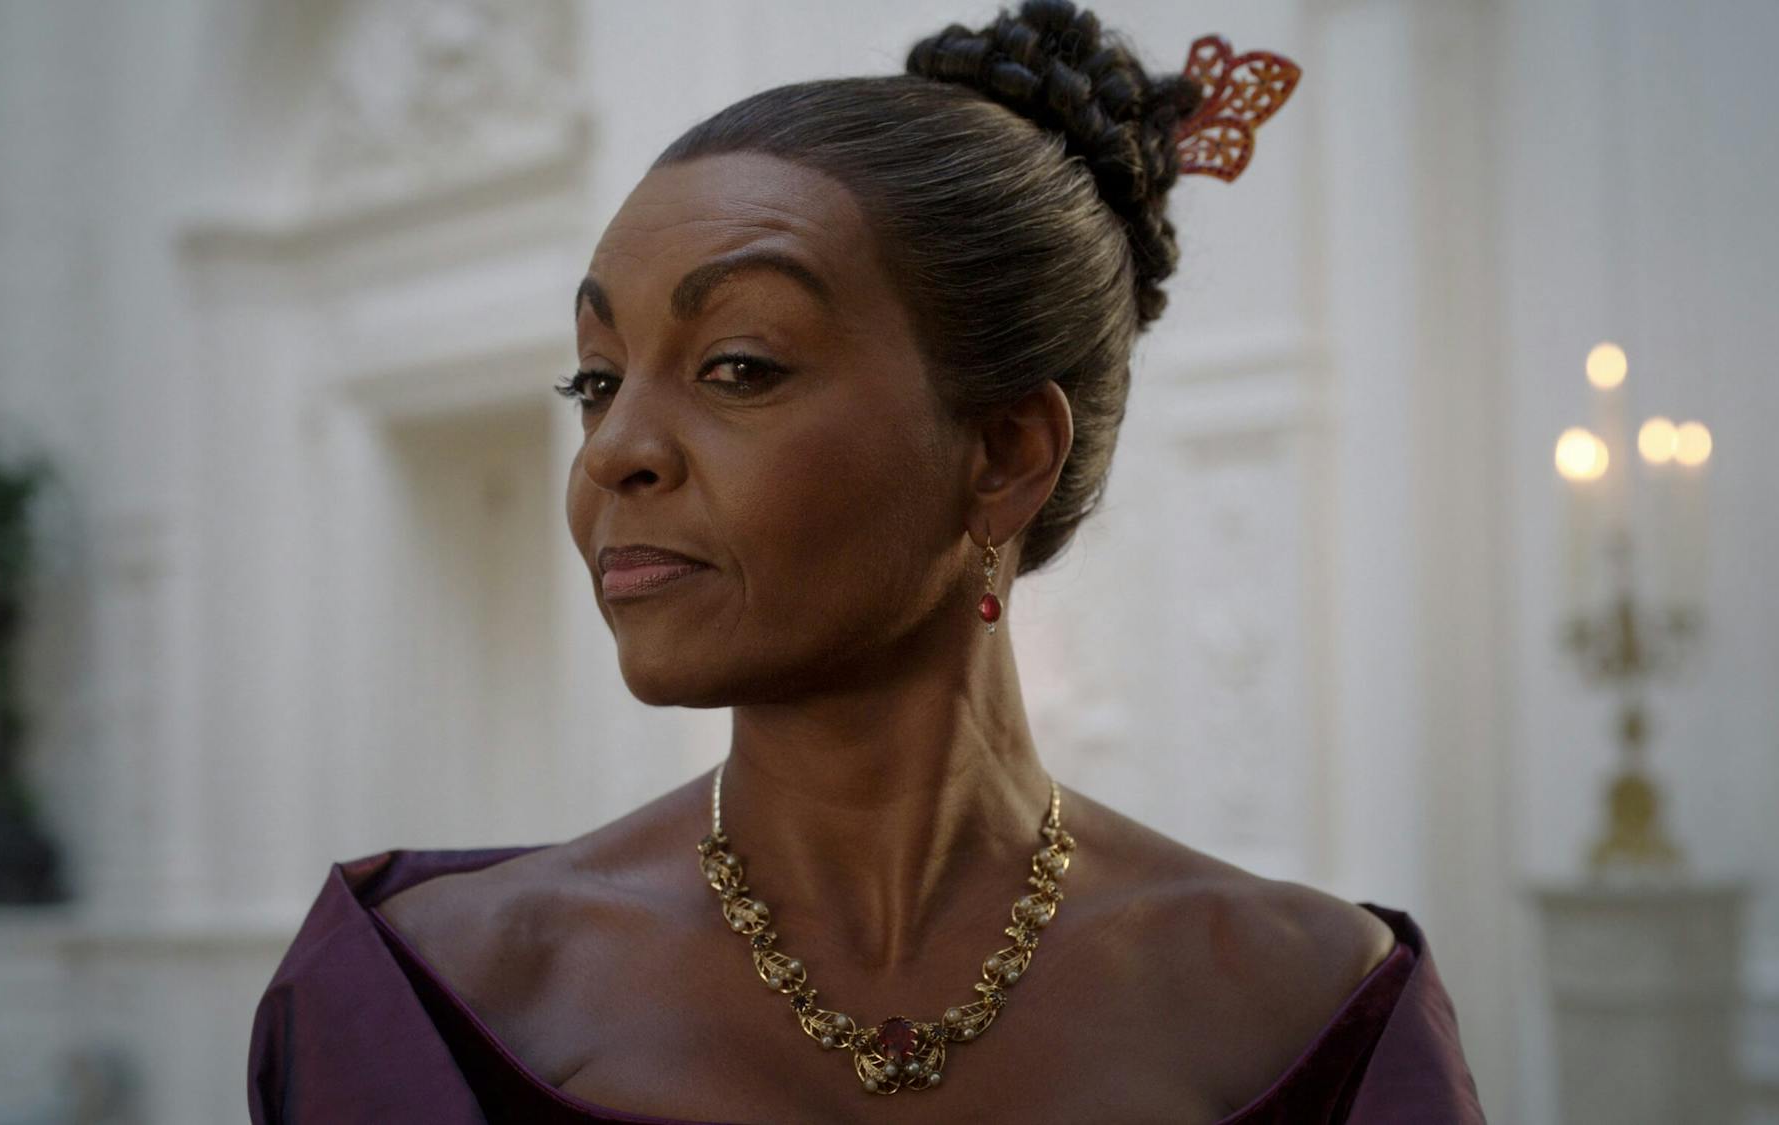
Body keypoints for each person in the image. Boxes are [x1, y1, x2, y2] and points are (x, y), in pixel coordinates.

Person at [248, 2, 1486, 1121]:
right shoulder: (440, 997)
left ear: (1001, 452)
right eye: (596, 379)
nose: (612, 451)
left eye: (738, 366)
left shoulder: (1306, 1011)